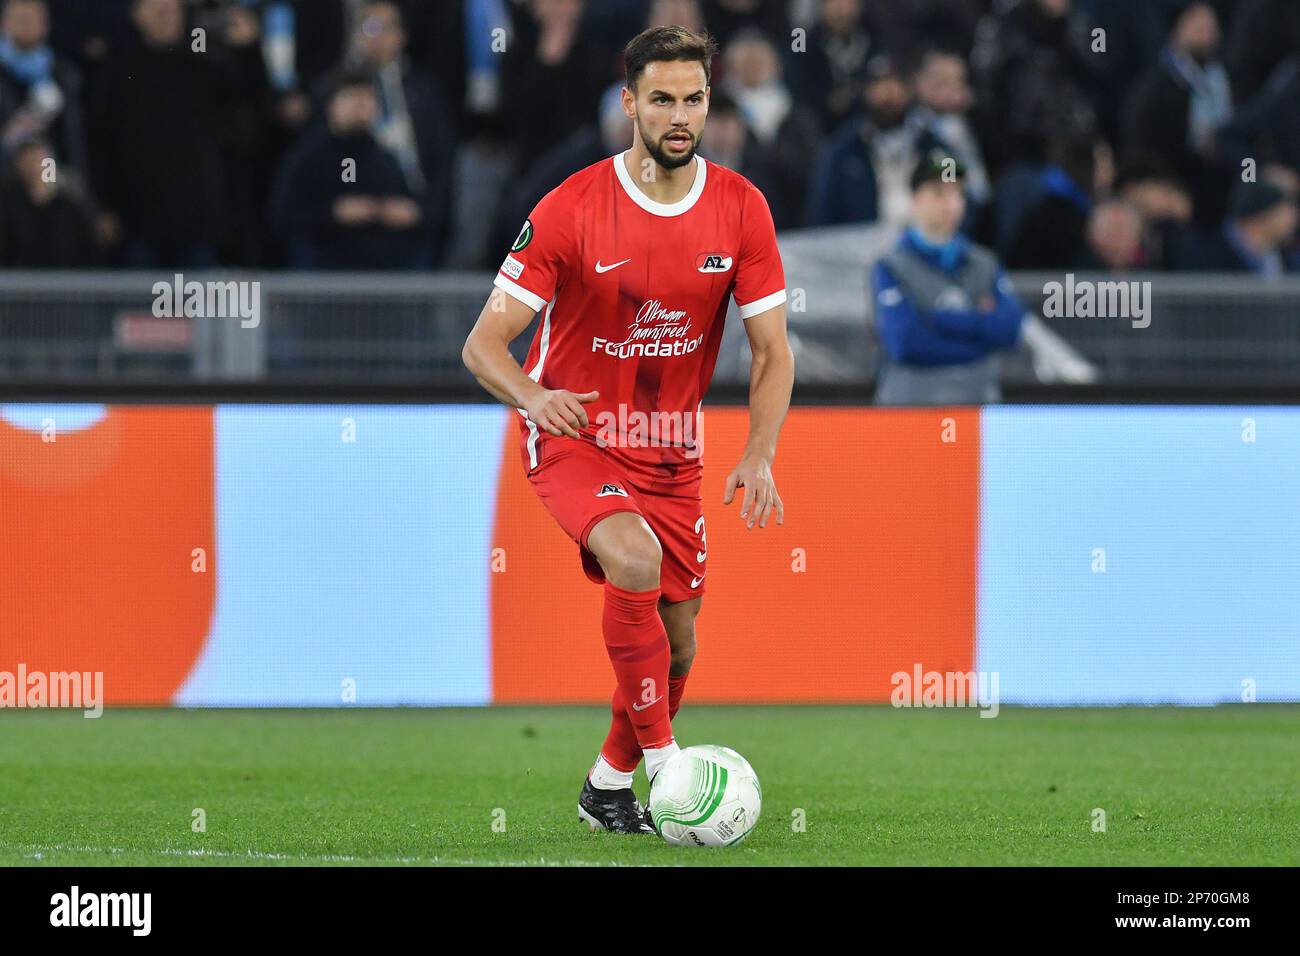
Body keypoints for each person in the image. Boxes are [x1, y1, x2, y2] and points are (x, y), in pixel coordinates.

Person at [461, 25, 794, 834]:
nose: (679, 116)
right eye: (662, 100)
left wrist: (758, 454)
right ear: (630, 105)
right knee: (634, 563)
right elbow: (481, 345)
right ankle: (667, 769)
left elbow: (771, 352)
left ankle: (607, 786)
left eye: (693, 99)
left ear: (710, 101)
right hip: (576, 433)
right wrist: (535, 397)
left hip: (673, 450)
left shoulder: (742, 210)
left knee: (679, 647)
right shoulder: (570, 207)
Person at [873, 150, 1025, 405]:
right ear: (914, 199)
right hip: (909, 413)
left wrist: (939, 320)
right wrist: (980, 334)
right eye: (939, 193)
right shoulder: (890, 266)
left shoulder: (984, 263)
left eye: (958, 193)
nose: (951, 204)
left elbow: (1010, 328)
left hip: (977, 413)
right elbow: (907, 341)